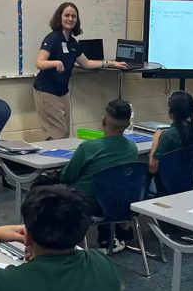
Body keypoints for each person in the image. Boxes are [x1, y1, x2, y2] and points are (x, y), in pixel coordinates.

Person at [34, 2, 128, 140]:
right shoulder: (52, 38)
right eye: (66, 15)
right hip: (47, 90)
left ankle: (60, 160)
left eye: (73, 16)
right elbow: (39, 62)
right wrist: (56, 63)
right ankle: (49, 160)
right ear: (60, 17)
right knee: (57, 133)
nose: (70, 19)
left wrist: (111, 63)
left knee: (64, 133)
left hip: (62, 91)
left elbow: (87, 63)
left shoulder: (72, 42)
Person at [59, 99, 139, 250]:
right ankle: (111, 236)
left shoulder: (88, 147)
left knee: (46, 187)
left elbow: (67, 176)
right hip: (119, 203)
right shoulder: (132, 148)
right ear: (128, 124)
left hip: (90, 205)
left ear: (103, 121)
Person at [148, 90, 193, 195]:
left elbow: (153, 168)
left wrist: (155, 142)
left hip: (165, 188)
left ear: (171, 113)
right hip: (187, 184)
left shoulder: (168, 136)